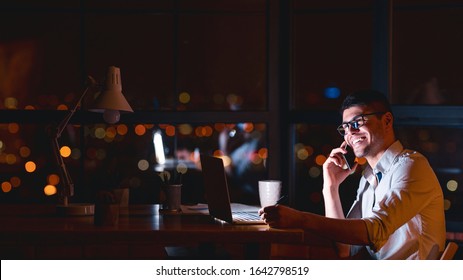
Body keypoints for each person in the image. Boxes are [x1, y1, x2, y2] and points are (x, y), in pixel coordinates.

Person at [259, 89, 446, 260]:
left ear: (387, 121)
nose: (350, 132)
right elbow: (344, 248)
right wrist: (330, 186)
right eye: (345, 127)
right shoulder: (369, 176)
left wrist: (301, 218)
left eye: (357, 122)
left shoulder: (412, 166)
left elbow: (374, 230)